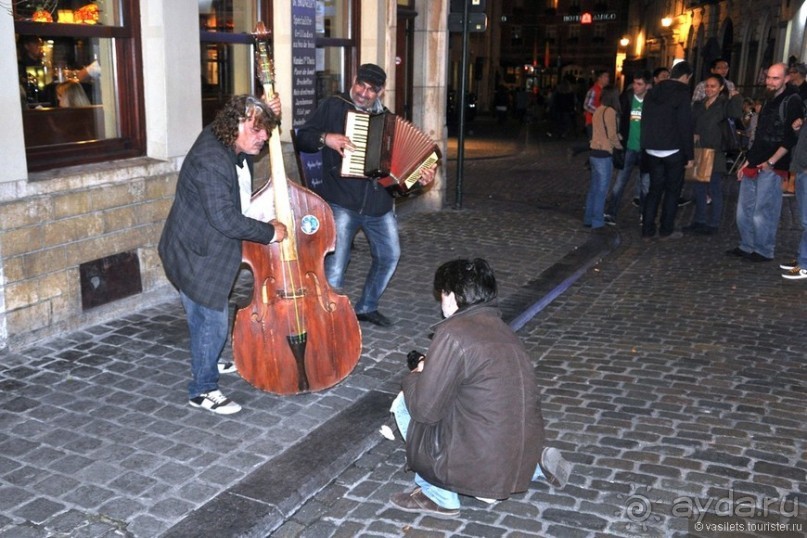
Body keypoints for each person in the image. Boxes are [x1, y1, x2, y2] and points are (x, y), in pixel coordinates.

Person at [388, 258, 572, 518]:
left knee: (403, 405)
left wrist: (415, 375)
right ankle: (533, 465)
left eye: (442, 293)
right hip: (518, 445)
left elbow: (425, 410)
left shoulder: (454, 333)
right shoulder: (503, 330)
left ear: (451, 296)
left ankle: (438, 494)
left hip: (480, 459)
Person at [159, 94, 288, 414]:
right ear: (238, 124)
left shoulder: (224, 135)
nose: (264, 138)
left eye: (266, 130)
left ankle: (210, 359)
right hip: (196, 253)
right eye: (258, 131)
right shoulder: (211, 160)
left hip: (197, 244)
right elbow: (225, 219)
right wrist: (271, 232)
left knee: (203, 320)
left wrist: (265, 113)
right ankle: (202, 389)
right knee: (211, 321)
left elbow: (249, 124)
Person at [295, 63, 436, 328]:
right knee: (336, 266)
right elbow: (303, 138)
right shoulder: (334, 105)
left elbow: (399, 179)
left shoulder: (389, 122)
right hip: (342, 202)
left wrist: (420, 181)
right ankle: (328, 320)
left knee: (389, 255)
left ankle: (367, 306)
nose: (363, 92)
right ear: (354, 79)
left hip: (379, 206)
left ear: (381, 91)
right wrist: (327, 138)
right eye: (361, 84)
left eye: (372, 89)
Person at [727, 63, 804, 263]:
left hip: (773, 164)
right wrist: (747, 161)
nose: (770, 82)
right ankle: (747, 245)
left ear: (786, 78)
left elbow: (790, 138)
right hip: (756, 160)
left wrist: (771, 162)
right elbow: (760, 135)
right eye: (768, 77)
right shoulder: (768, 98)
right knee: (744, 210)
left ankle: (763, 250)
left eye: (775, 78)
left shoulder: (792, 100)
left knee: (764, 210)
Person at [640, 60, 695, 241]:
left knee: (654, 190)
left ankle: (647, 229)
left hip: (652, 149)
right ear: (686, 77)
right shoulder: (682, 93)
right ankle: (666, 229)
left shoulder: (652, 92)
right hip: (673, 150)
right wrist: (690, 155)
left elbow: (645, 121)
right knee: (672, 191)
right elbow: (685, 125)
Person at [685, 74, 743, 235]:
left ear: (721, 88)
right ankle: (700, 220)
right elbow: (692, 123)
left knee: (715, 189)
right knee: (699, 189)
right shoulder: (699, 105)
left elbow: (737, 113)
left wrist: (736, 96)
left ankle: (714, 224)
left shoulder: (724, 105)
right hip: (699, 150)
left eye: (713, 86)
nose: (709, 89)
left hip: (715, 153)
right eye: (707, 86)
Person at [604, 70, 651, 224]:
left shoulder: (652, 101)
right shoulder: (627, 98)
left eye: (640, 84)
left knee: (646, 184)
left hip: (645, 149)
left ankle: (645, 214)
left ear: (648, 86)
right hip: (629, 147)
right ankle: (611, 212)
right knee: (620, 182)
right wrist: (617, 133)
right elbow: (617, 115)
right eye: (635, 83)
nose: (636, 87)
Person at [583, 85, 622, 230]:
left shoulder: (598, 110)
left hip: (594, 152)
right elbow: (611, 135)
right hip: (604, 154)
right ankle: (597, 221)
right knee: (602, 190)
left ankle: (588, 218)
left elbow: (600, 131)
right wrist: (619, 146)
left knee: (594, 188)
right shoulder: (610, 111)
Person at [782, 112, 807, 280]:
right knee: (805, 219)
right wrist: (798, 130)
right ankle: (802, 257)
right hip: (801, 169)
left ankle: (805, 263)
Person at [569, 70, 610, 159]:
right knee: (594, 143)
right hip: (591, 121)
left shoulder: (604, 91)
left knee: (595, 142)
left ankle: (578, 151)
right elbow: (587, 105)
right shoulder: (594, 90)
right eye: (606, 77)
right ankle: (577, 151)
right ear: (600, 78)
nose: (608, 79)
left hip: (598, 122)